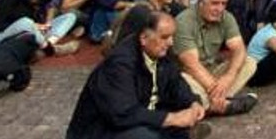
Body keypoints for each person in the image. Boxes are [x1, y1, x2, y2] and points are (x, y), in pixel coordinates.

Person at [68, 11, 212, 139]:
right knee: (146, 135)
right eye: (165, 37)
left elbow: (177, 84)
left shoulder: (161, 53)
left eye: (172, 37)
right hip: (100, 130)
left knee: (181, 121)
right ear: (143, 38)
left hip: (143, 117)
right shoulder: (120, 64)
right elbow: (123, 113)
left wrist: (193, 102)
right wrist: (171, 118)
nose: (170, 42)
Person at [173, 0, 258, 117]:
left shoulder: (226, 17)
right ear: (201, 2)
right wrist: (216, 87)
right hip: (190, 75)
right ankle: (220, 104)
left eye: (223, 3)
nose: (219, 8)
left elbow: (239, 49)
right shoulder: (184, 21)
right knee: (181, 81)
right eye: (215, 3)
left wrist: (228, 77)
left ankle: (211, 105)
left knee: (249, 62)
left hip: (211, 71)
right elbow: (191, 65)